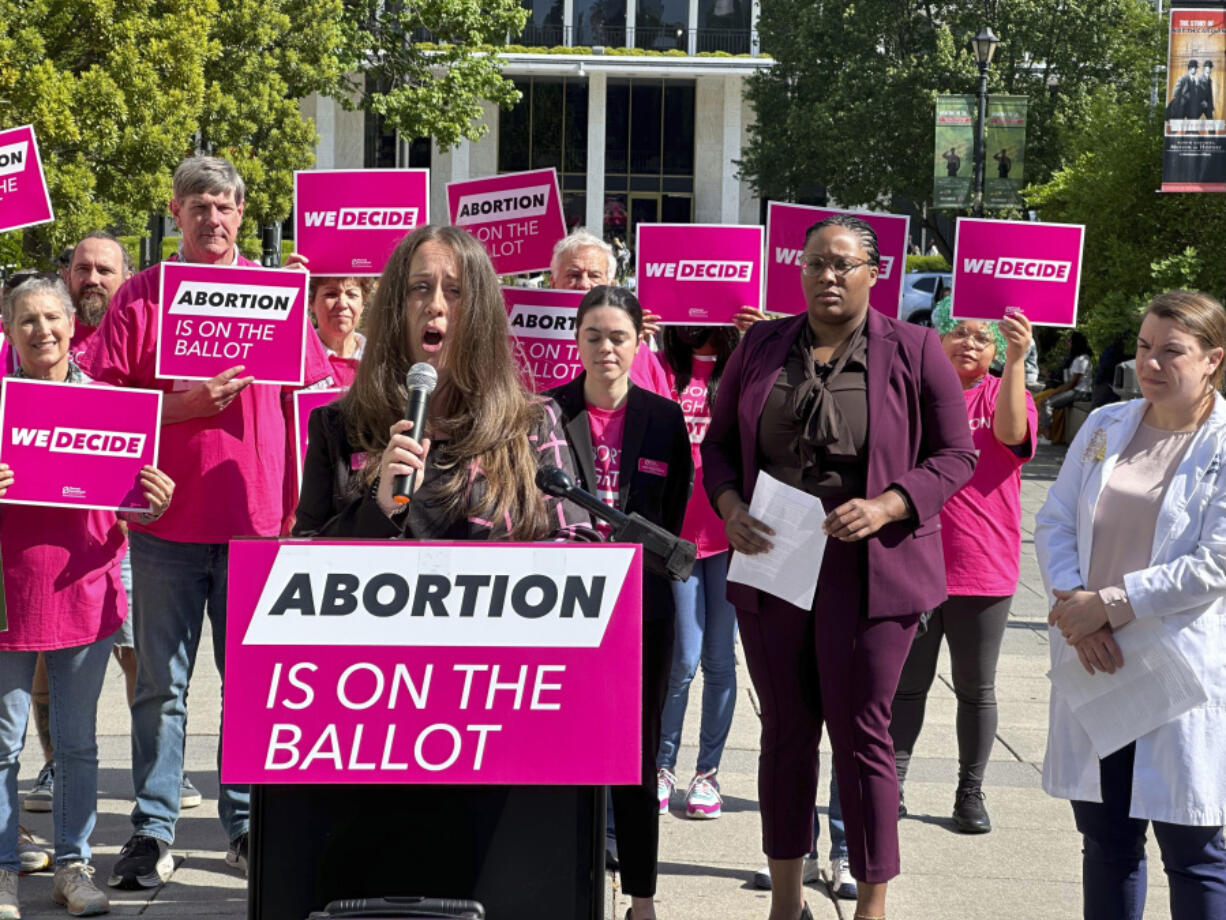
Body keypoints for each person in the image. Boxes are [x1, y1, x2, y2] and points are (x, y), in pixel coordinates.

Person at [702, 213, 976, 920]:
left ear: (873, 274)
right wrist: (730, 506)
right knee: (786, 734)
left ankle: (872, 902)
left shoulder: (914, 349)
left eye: (844, 263)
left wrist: (888, 505)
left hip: (871, 570)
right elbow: (720, 445)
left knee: (863, 737)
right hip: (776, 560)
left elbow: (956, 455)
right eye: (817, 261)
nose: (828, 274)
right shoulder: (761, 345)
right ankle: (786, 899)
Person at [80, 155, 333, 889]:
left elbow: (311, 401)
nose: (212, 219)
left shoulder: (273, 292)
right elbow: (100, 404)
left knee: (250, 685)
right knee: (161, 685)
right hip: (164, 526)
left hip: (257, 523)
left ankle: (247, 822)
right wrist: (182, 406)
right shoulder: (143, 295)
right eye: (198, 206)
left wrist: (298, 513)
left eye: (224, 206)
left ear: (241, 214)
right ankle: (153, 829)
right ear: (176, 211)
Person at [1034, 290, 1226, 919]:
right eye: (1144, 347)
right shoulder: (1103, 425)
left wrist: (1111, 603)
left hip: (1175, 668)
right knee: (1107, 843)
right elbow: (1056, 522)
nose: (1150, 363)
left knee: (1194, 852)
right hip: (1098, 659)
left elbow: (1215, 562)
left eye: (1172, 351)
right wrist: (1076, 609)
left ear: (1212, 360)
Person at [0, 274, 174, 919]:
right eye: (27, 321)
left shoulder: (114, 407)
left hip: (84, 593)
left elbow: (132, 512)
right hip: (9, 593)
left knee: (76, 744)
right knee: (2, 744)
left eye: (52, 318)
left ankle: (74, 866)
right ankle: (4, 871)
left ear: (74, 326)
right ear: (9, 331)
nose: (42, 331)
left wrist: (156, 504)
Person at [546, 285, 691, 920]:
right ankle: (562, 880)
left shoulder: (664, 418)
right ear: (576, 341)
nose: (606, 349)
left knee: (638, 751)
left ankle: (642, 897)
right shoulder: (546, 411)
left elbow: (676, 504)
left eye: (619, 337)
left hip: (642, 606)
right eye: (594, 336)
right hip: (563, 605)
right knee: (562, 746)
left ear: (639, 343)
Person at [890, 300, 1037, 834]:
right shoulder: (914, 392)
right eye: (959, 332)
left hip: (984, 565)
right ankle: (894, 785)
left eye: (983, 338)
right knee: (907, 686)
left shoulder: (1006, 393)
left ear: (997, 350)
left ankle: (969, 792)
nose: (969, 343)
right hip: (917, 561)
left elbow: (1011, 434)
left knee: (977, 688)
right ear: (940, 337)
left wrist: (1017, 363)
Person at [648, 325, 741, 821]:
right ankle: (663, 766)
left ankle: (707, 772)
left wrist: (753, 341)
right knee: (682, 661)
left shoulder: (743, 362)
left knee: (720, 660)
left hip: (730, 533)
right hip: (677, 536)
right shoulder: (660, 364)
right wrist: (640, 342)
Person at [308, 275, 373, 388]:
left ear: (362, 304)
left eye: (351, 295)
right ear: (311, 303)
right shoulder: (295, 358)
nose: (342, 304)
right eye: (331, 294)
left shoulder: (380, 359)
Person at [1034, 331, 1093, 444]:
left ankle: (1047, 437)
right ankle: (1045, 434)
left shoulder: (1082, 359)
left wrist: (1056, 393)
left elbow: (1073, 383)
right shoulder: (1075, 358)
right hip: (1075, 390)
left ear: (1076, 343)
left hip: (1081, 392)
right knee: (1045, 401)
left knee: (1047, 403)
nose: (1067, 343)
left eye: (1069, 340)